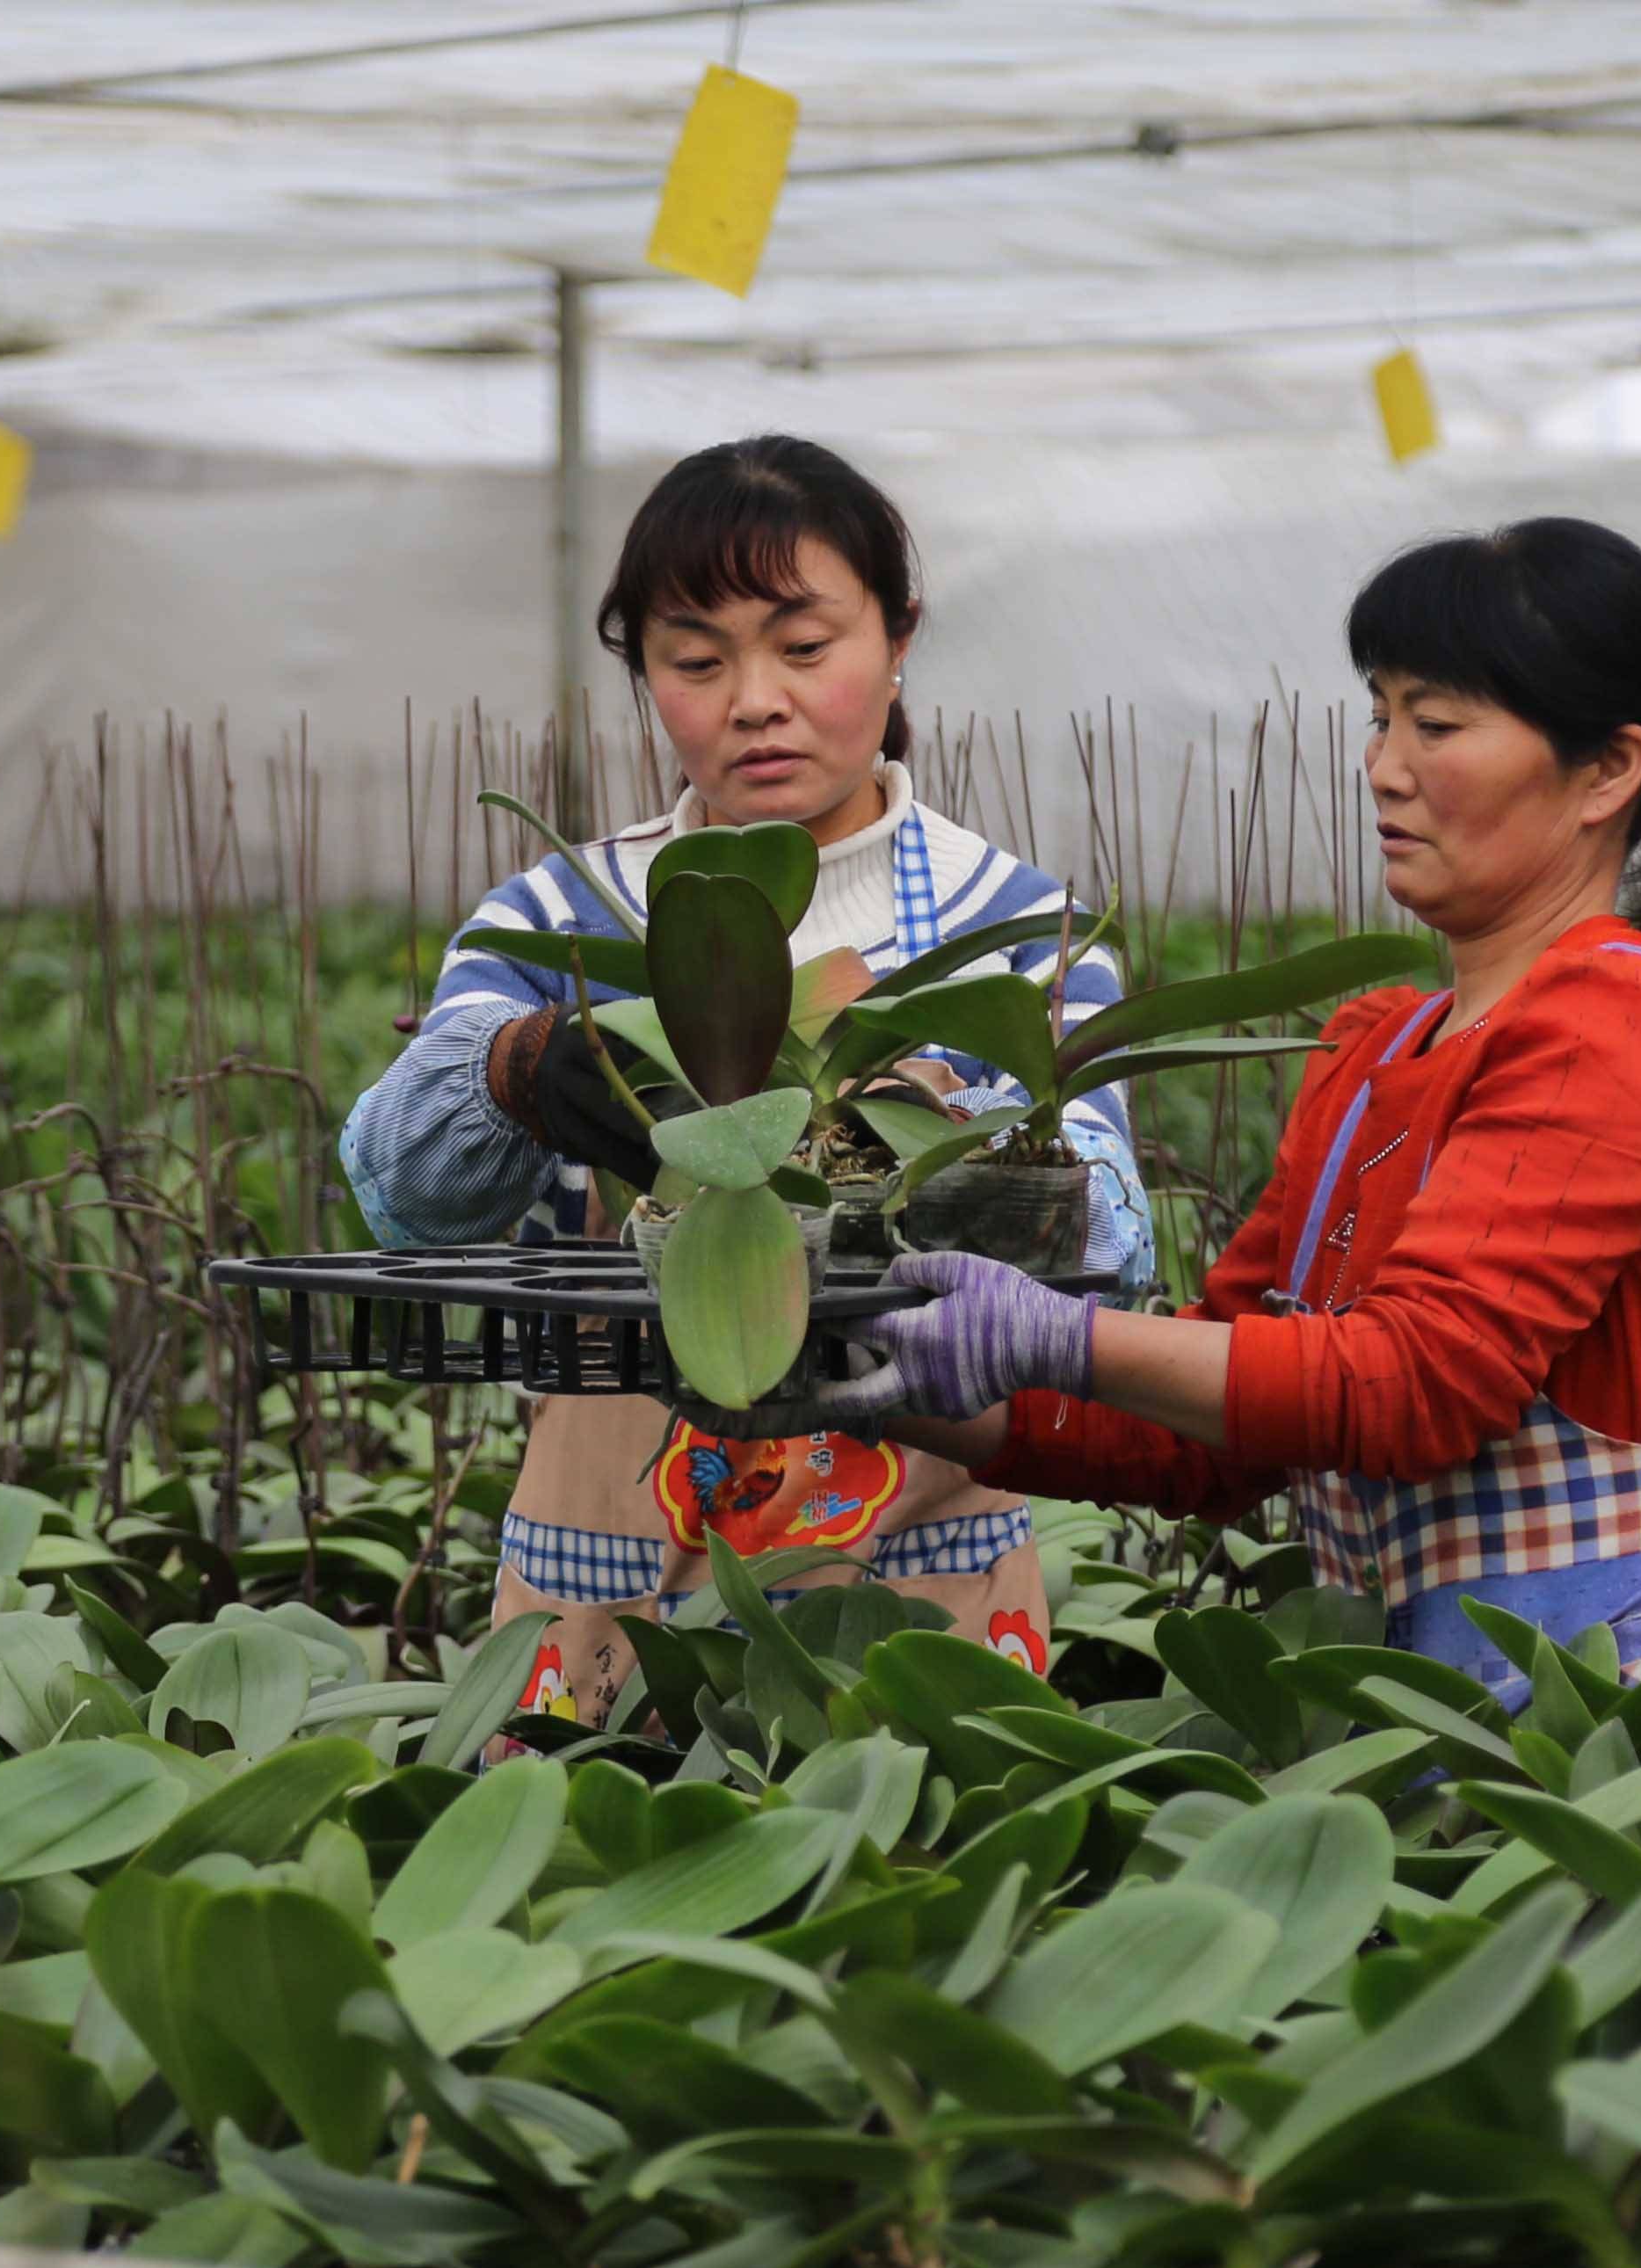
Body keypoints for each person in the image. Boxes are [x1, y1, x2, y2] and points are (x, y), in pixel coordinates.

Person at [808, 516, 1641, 1685]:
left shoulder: (1622, 1029)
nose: (1385, 766)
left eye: (1437, 725)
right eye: (1382, 716)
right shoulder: (1376, 1053)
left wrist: (1059, 1336)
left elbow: (1417, 1386)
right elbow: (1217, 1431)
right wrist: (876, 1384)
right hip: (1434, 1743)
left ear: (1609, 769)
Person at [339, 436, 1142, 1722]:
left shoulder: (1024, 931)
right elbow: (401, 1191)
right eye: (696, 660)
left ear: (899, 639)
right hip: (608, 1567)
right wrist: (515, 1068)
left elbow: (1111, 1229)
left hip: (924, 1563)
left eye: (804, 647)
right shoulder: (561, 917)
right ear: (649, 678)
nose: (753, 699)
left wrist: (939, 1148)